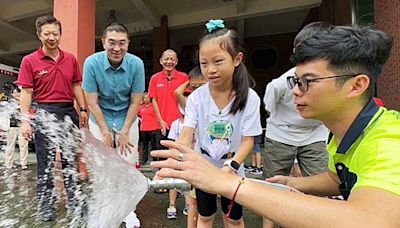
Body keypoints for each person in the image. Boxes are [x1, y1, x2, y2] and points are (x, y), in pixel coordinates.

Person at [151, 24, 400, 227]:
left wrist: (229, 182)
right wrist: (291, 183)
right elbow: (338, 179)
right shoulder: (342, 135)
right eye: (295, 80)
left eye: (307, 82)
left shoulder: (388, 143)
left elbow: (371, 220)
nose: (294, 91)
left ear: (356, 85)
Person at [172, 19, 262, 227]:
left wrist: (232, 166)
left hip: (233, 166)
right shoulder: (196, 98)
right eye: (204, 63)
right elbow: (187, 133)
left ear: (237, 59)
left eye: (218, 61)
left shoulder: (249, 97)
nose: (210, 69)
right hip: (204, 166)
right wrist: (177, 157)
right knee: (204, 216)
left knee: (234, 219)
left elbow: (248, 140)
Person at [17, 15, 88, 221]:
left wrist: (82, 109)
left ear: (60, 34)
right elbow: (27, 93)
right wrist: (25, 121)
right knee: (45, 163)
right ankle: (46, 206)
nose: (51, 37)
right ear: (39, 35)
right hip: (44, 113)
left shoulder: (70, 59)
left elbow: (76, 85)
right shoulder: (29, 61)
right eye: (47, 33)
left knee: (70, 161)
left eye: (55, 33)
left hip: (68, 113)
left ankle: (75, 202)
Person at [82, 21, 144, 227]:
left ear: (128, 43)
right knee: (101, 165)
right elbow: (91, 101)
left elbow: (136, 100)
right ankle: (105, 209)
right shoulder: (91, 63)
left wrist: (125, 131)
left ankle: (128, 211)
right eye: (112, 42)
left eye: (122, 43)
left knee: (127, 164)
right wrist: (105, 131)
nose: (117, 48)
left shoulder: (136, 64)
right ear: (103, 42)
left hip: (127, 117)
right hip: (100, 118)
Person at [148, 49, 188, 206]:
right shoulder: (155, 78)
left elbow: (187, 98)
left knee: (180, 155)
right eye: (166, 59)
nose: (169, 61)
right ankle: (163, 184)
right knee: (163, 155)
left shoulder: (184, 77)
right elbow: (153, 100)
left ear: (176, 61)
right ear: (161, 61)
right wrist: (160, 120)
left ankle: (179, 185)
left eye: (172, 59)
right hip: (162, 123)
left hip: (180, 124)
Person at [174, 65, 207, 227]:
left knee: (229, 212)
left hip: (221, 162)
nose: (196, 90)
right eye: (193, 87)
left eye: (200, 86)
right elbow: (177, 93)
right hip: (198, 157)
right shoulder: (191, 103)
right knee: (195, 203)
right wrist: (190, 82)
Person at [4, 87, 29, 170]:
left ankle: (24, 163)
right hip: (12, 126)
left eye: (17, 92)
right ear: (12, 94)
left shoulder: (24, 102)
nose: (16, 94)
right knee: (10, 145)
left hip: (22, 126)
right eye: (14, 93)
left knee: (24, 145)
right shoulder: (10, 103)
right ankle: (8, 163)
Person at [137, 93, 160, 164]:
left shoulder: (154, 106)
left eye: (147, 97)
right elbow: (137, 114)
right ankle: (144, 159)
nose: (146, 99)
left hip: (152, 128)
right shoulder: (141, 107)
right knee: (144, 145)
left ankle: (155, 159)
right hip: (143, 128)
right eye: (144, 98)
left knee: (154, 145)